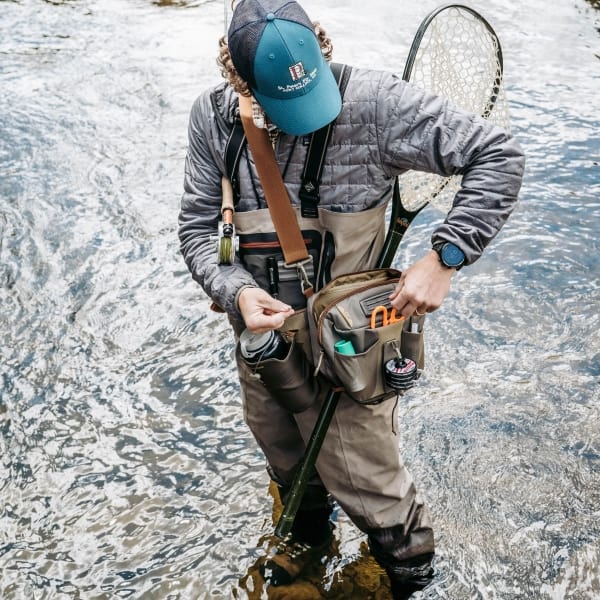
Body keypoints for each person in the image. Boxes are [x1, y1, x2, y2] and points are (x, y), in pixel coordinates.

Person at [178, 0, 525, 596]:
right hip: (263, 348)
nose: (307, 119)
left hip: (352, 351)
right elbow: (194, 231)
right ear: (237, 79)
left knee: (381, 500)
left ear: (321, 46)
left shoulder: (378, 104)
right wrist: (234, 292)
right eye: (286, 107)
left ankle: (407, 580)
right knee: (290, 473)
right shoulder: (213, 119)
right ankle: (307, 561)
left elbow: (499, 156)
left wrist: (444, 258)